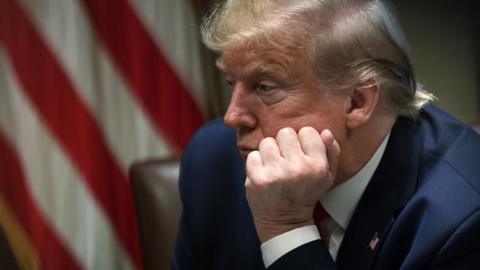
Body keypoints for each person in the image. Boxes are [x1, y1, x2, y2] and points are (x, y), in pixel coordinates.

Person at [173, 0, 480, 269]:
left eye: (265, 87)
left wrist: (286, 228)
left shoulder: (462, 219)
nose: (231, 116)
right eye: (231, 83)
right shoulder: (213, 160)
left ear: (356, 102)